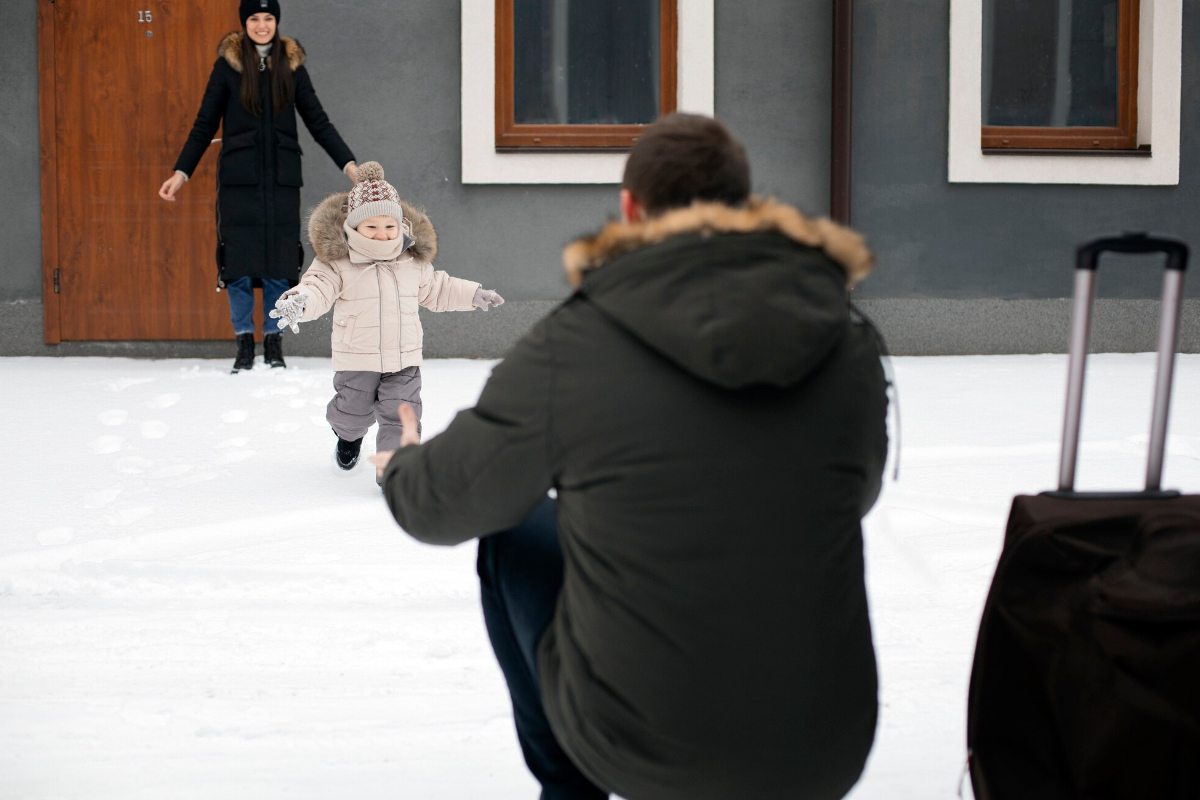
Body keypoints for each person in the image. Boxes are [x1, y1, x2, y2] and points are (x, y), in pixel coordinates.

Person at [371, 113, 890, 799]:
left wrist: (403, 464)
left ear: (630, 208)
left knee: (515, 534)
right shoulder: (843, 340)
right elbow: (856, 492)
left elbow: (441, 505)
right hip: (825, 748)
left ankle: (570, 791)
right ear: (742, 205)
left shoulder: (578, 344)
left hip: (642, 748)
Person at [159, 0, 357, 374]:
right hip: (239, 182)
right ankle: (244, 343)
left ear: (276, 21)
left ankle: (274, 341)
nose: (262, 25)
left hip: (281, 181)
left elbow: (318, 121)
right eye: (254, 18)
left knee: (278, 264)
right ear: (244, 22)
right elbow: (204, 124)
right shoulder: (227, 67)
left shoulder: (292, 67)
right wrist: (181, 172)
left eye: (268, 18)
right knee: (237, 265)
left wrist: (349, 164)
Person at [270, 162, 505, 477]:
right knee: (352, 413)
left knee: (401, 414)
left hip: (403, 359)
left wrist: (473, 294)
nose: (382, 234)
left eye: (389, 226)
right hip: (357, 357)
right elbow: (317, 287)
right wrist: (299, 302)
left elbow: (438, 288)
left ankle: (395, 469)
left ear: (400, 224)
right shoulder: (338, 261)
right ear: (354, 227)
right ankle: (348, 437)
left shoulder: (411, 261)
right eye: (371, 227)